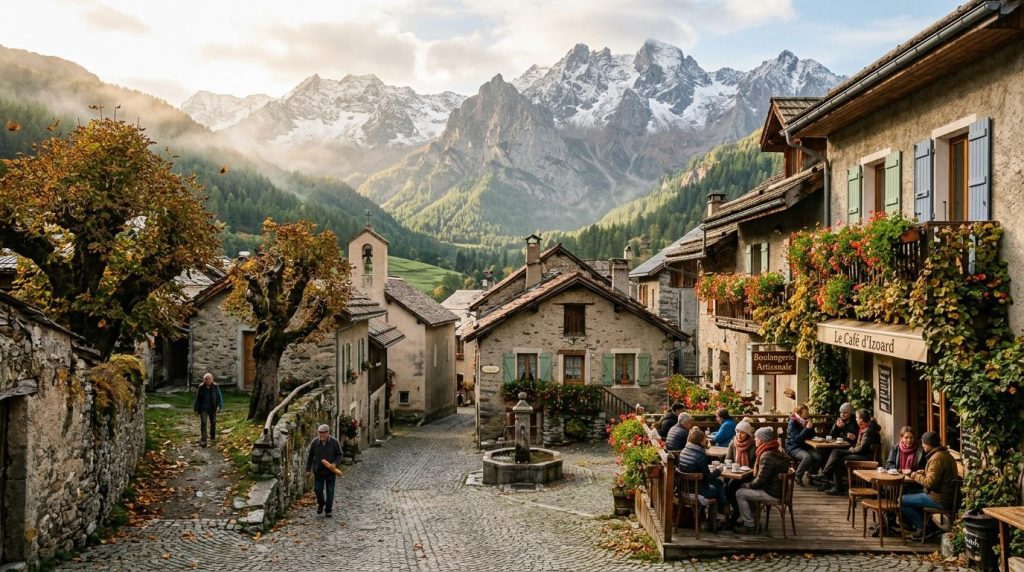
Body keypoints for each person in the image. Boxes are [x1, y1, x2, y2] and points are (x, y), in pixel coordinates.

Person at [901, 431, 957, 538]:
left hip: (939, 499)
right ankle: (929, 525)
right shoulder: (943, 454)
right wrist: (925, 473)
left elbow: (930, 484)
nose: (922, 446)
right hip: (944, 495)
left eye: (923, 443)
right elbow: (938, 476)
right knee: (909, 492)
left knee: (901, 500)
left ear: (928, 444)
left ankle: (922, 527)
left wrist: (913, 474)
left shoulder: (937, 458)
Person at [734, 427, 790, 534]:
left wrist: (747, 485)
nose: (755, 439)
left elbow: (760, 482)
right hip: (778, 490)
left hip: (772, 493)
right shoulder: (777, 451)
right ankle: (753, 520)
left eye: (757, 438)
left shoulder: (767, 455)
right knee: (745, 489)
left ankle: (749, 525)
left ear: (763, 440)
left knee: (740, 493)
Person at [815, 409, 881, 495]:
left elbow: (863, 447)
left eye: (857, 418)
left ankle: (833, 482)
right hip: (861, 453)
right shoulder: (865, 428)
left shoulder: (868, 430)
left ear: (861, 419)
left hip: (865, 456)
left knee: (837, 457)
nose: (856, 419)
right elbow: (861, 443)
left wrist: (852, 449)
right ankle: (830, 480)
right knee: (836, 453)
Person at [676, 428, 728, 529]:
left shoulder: (684, 451)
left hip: (684, 489)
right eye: (705, 440)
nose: (706, 442)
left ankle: (721, 509)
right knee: (717, 487)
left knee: (718, 483)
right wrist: (719, 470)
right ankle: (716, 516)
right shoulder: (700, 455)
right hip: (697, 491)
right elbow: (708, 478)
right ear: (700, 441)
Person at [722, 420, 756, 530]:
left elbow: (755, 464)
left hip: (749, 475)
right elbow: (728, 458)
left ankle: (736, 514)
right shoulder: (733, 442)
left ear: (747, 434)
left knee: (731, 487)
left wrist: (747, 470)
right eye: (737, 432)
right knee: (725, 486)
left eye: (741, 432)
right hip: (734, 473)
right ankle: (732, 513)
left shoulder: (753, 445)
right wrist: (730, 464)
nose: (739, 435)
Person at [305, 424, 344, 517]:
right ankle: (321, 503)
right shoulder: (315, 442)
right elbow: (310, 457)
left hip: (330, 471)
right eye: (320, 433)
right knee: (318, 490)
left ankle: (328, 510)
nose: (322, 435)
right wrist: (308, 469)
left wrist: (335, 464)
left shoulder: (334, 442)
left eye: (324, 433)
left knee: (330, 491)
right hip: (318, 471)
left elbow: (340, 455)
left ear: (328, 433)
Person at [785, 404, 817, 486]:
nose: (808, 414)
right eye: (805, 413)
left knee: (818, 456)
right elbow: (797, 439)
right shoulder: (792, 422)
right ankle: (797, 476)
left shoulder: (805, 421)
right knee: (807, 457)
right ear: (799, 414)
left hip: (805, 446)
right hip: (793, 447)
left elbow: (812, 436)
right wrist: (806, 428)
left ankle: (811, 477)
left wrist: (810, 428)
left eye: (807, 412)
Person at [193, 373, 223, 448]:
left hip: (213, 408)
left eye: (209, 379)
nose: (207, 380)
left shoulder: (216, 386)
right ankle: (204, 439)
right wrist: (196, 409)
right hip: (203, 408)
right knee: (203, 422)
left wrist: (220, 406)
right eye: (206, 379)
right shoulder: (201, 387)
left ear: (212, 379)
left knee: (213, 422)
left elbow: (219, 397)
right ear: (204, 380)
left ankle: (212, 436)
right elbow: (197, 399)